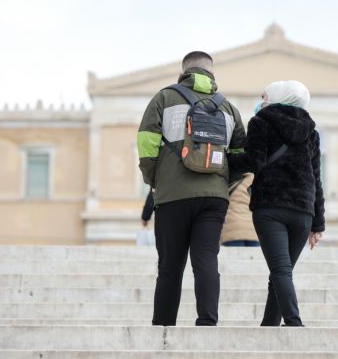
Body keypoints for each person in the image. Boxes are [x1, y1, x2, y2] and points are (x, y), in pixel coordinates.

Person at [137, 51, 246, 326]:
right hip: (214, 198)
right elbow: (242, 157)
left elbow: (146, 146)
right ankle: (207, 322)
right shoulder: (228, 108)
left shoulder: (164, 98)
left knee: (170, 266)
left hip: (172, 195)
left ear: (183, 72)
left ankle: (163, 326)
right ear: (212, 74)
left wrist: (154, 180)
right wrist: (222, 183)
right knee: (206, 259)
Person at [228, 80, 325, 327]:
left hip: (270, 207)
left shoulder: (260, 122)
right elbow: (316, 178)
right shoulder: (311, 132)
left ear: (277, 97)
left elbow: (254, 161)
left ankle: (294, 323)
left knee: (281, 270)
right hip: (303, 212)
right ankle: (269, 327)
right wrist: (318, 223)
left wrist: (225, 161)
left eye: (264, 96)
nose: (261, 101)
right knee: (281, 271)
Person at [221, 173, 260, 247]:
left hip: (232, 229)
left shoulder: (228, 179)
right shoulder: (255, 180)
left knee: (234, 254)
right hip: (252, 229)